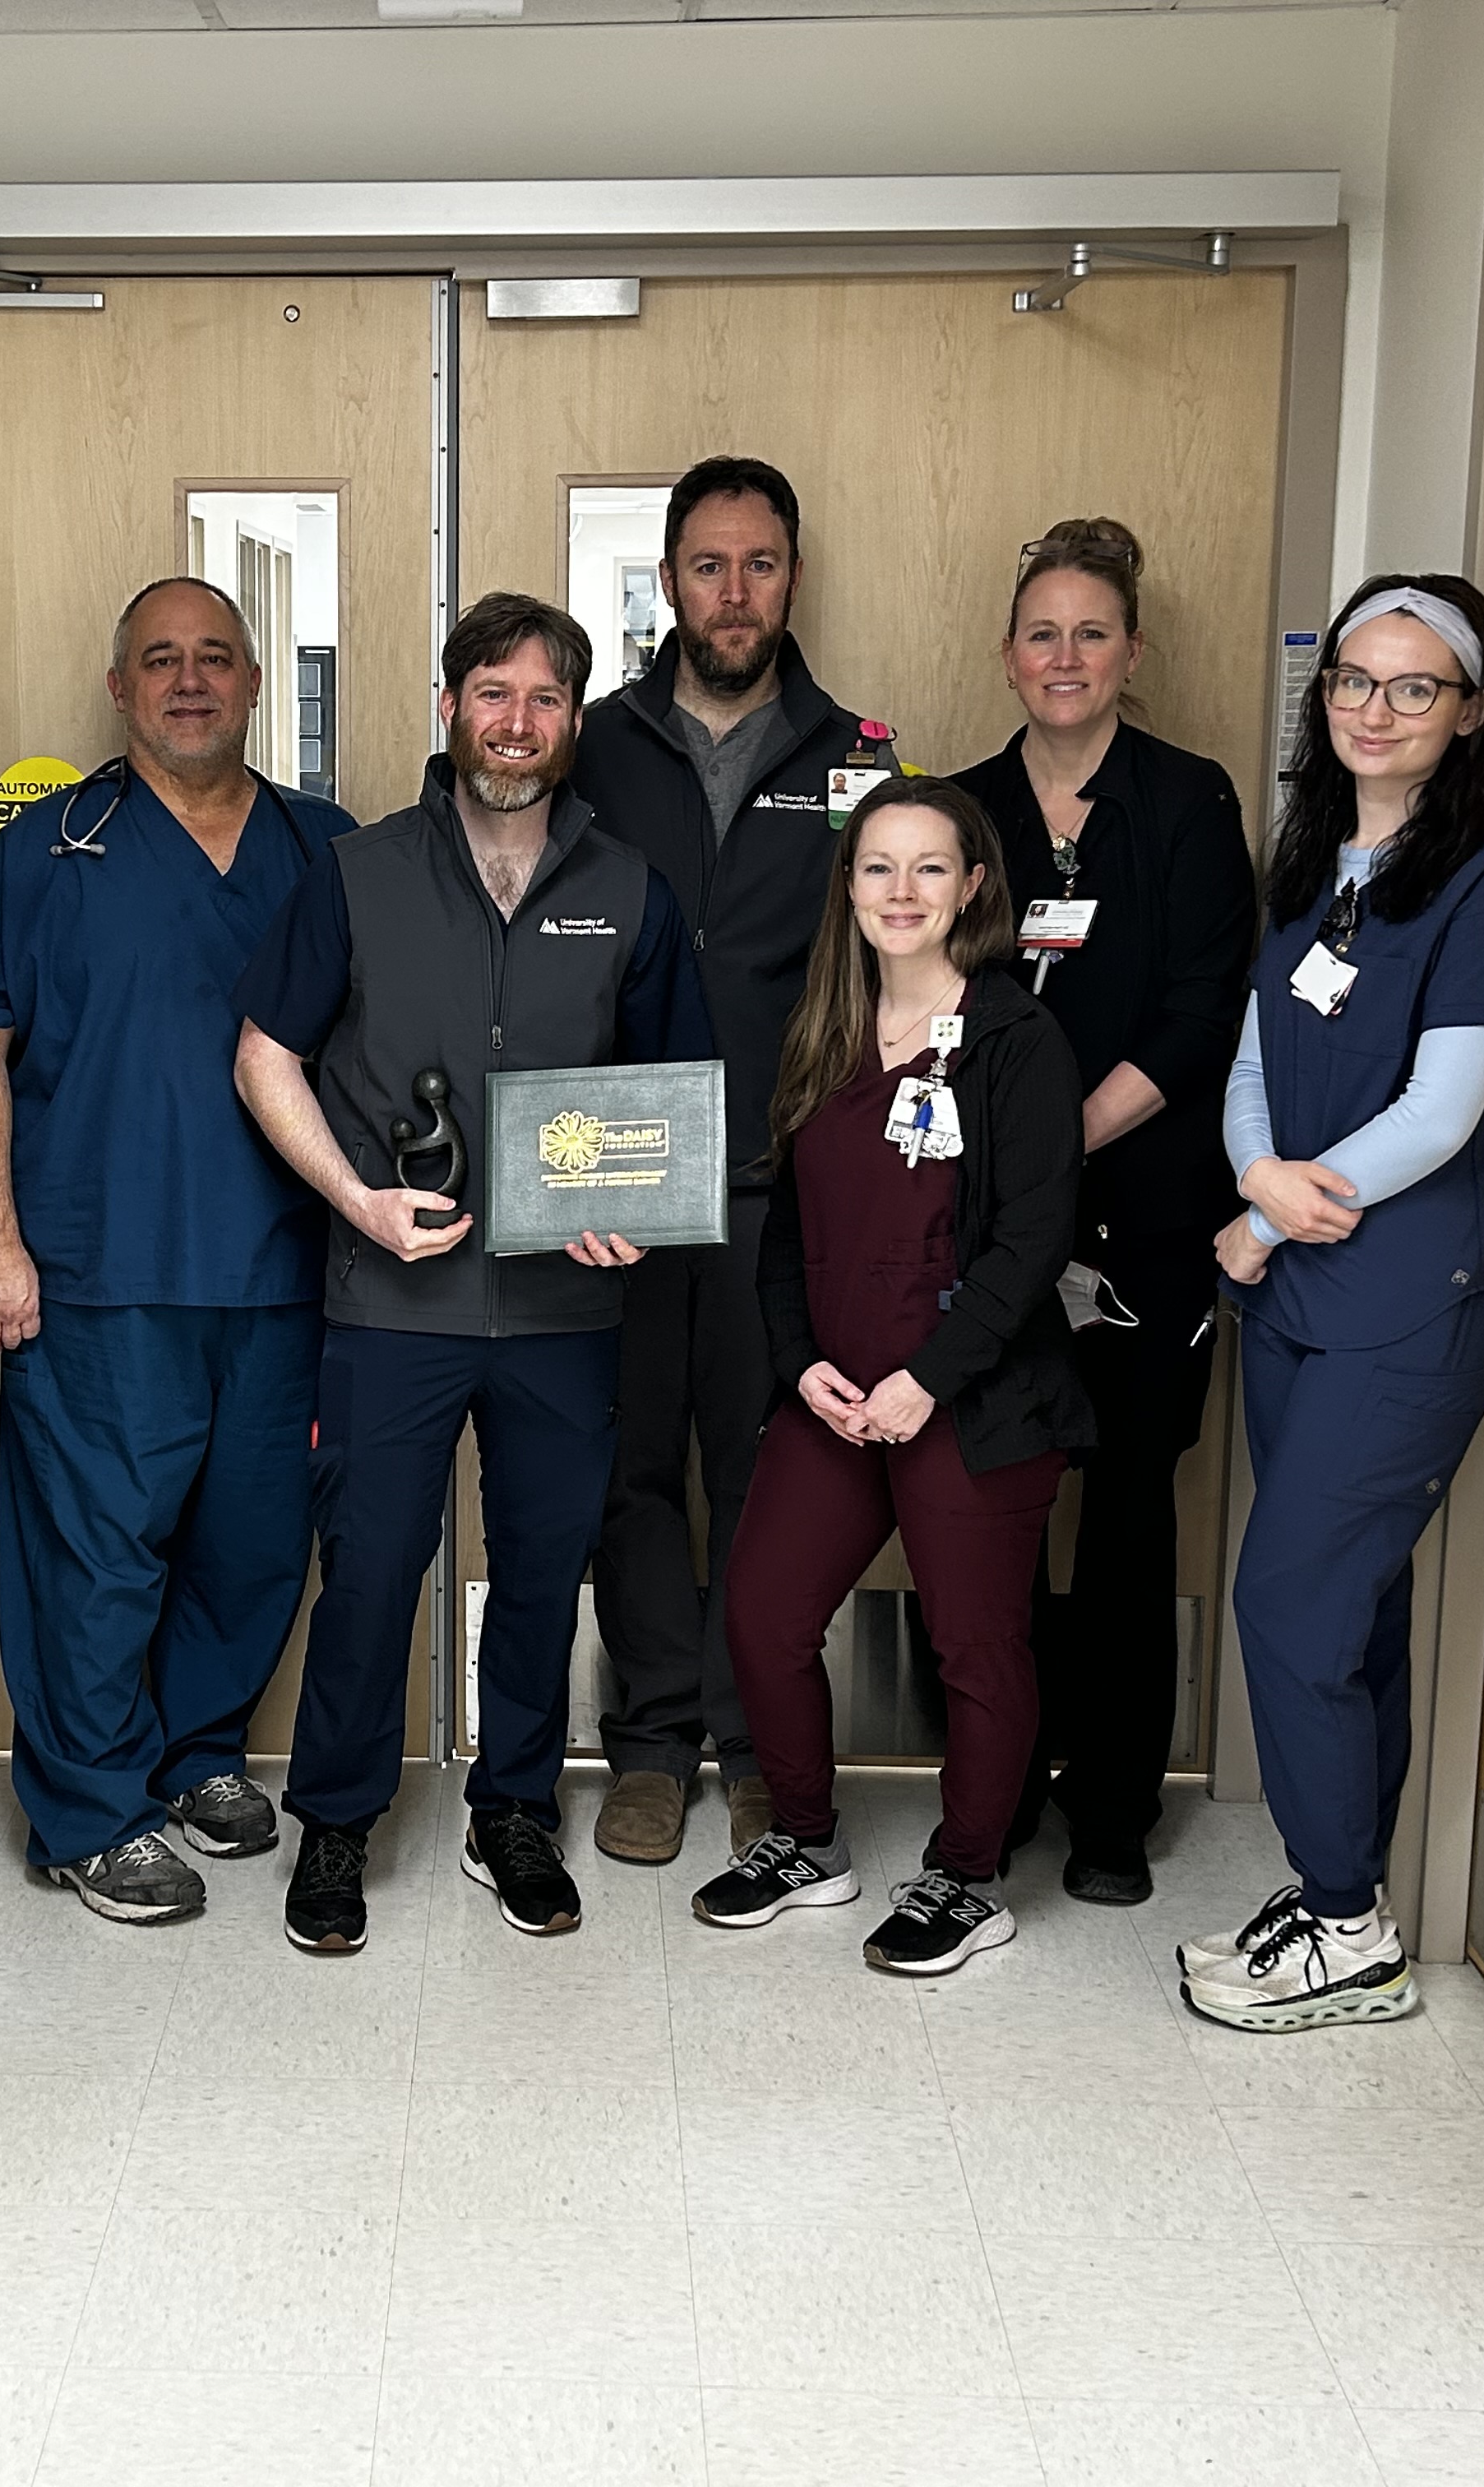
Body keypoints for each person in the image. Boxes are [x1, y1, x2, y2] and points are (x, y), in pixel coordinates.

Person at [231, 592, 713, 1953]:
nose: (518, 722)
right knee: (375, 1567)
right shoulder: (359, 872)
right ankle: (336, 1821)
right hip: (393, 1299)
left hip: (567, 1307)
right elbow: (264, 1056)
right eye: (492, 693)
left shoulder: (628, 890)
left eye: (546, 699)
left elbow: (676, 1088)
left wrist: (646, 1209)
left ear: (575, 720)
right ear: (450, 707)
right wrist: (356, 1204)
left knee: (544, 1566)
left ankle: (514, 1808)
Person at [0, 577, 360, 1924]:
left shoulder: (326, 848)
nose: (188, 681)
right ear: (119, 689)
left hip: (286, 1277)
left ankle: (195, 1756)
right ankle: (90, 1812)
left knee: (250, 1547)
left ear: (253, 685)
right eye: (159, 660)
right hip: (101, 1273)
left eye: (215, 658)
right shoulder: (50, 851)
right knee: (98, 1557)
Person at [1182, 574, 1484, 2033]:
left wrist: (1283, 1202)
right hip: (1297, 1287)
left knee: (1286, 1599)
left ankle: (1344, 1930)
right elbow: (1257, 1051)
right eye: (1351, 682)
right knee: (1353, 1613)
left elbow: (1447, 1112)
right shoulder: (1317, 860)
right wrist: (1257, 1174)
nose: (1373, 711)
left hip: (1407, 1300)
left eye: (1412, 689)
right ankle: (1349, 1898)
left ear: (1466, 715)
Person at [691, 777, 1094, 1977]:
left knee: (977, 1650)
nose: (902, 891)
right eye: (878, 868)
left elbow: (1031, 1246)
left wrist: (928, 1377)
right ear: (850, 888)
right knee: (762, 1617)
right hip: (836, 1392)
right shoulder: (824, 1029)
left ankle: (969, 1877)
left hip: (968, 1398)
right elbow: (784, 1236)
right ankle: (807, 1843)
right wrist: (803, 1364)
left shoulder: (1018, 1040)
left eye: (930, 868)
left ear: (973, 886)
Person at [949, 518, 1257, 1908]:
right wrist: (1012, 1177)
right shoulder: (958, 815)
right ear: (1008, 654)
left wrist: (1055, 1142)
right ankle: (1000, 1788)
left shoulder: (1189, 805)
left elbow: (1202, 1012)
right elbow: (921, 990)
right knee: (1001, 1510)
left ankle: (1117, 1812)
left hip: (1145, 1213)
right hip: (993, 1230)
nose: (1064, 657)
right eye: (1041, 632)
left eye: (1091, 633)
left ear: (1132, 652)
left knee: (1131, 1513)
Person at [571, 456, 868, 1869]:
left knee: (766, 1472)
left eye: (759, 564)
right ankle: (647, 1746)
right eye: (708, 565)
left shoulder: (859, 754)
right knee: (632, 1472)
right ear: (670, 580)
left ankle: (758, 1750)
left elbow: (895, 957)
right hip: (618, 1178)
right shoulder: (590, 740)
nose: (734, 591)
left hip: (777, 1183)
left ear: (792, 575)